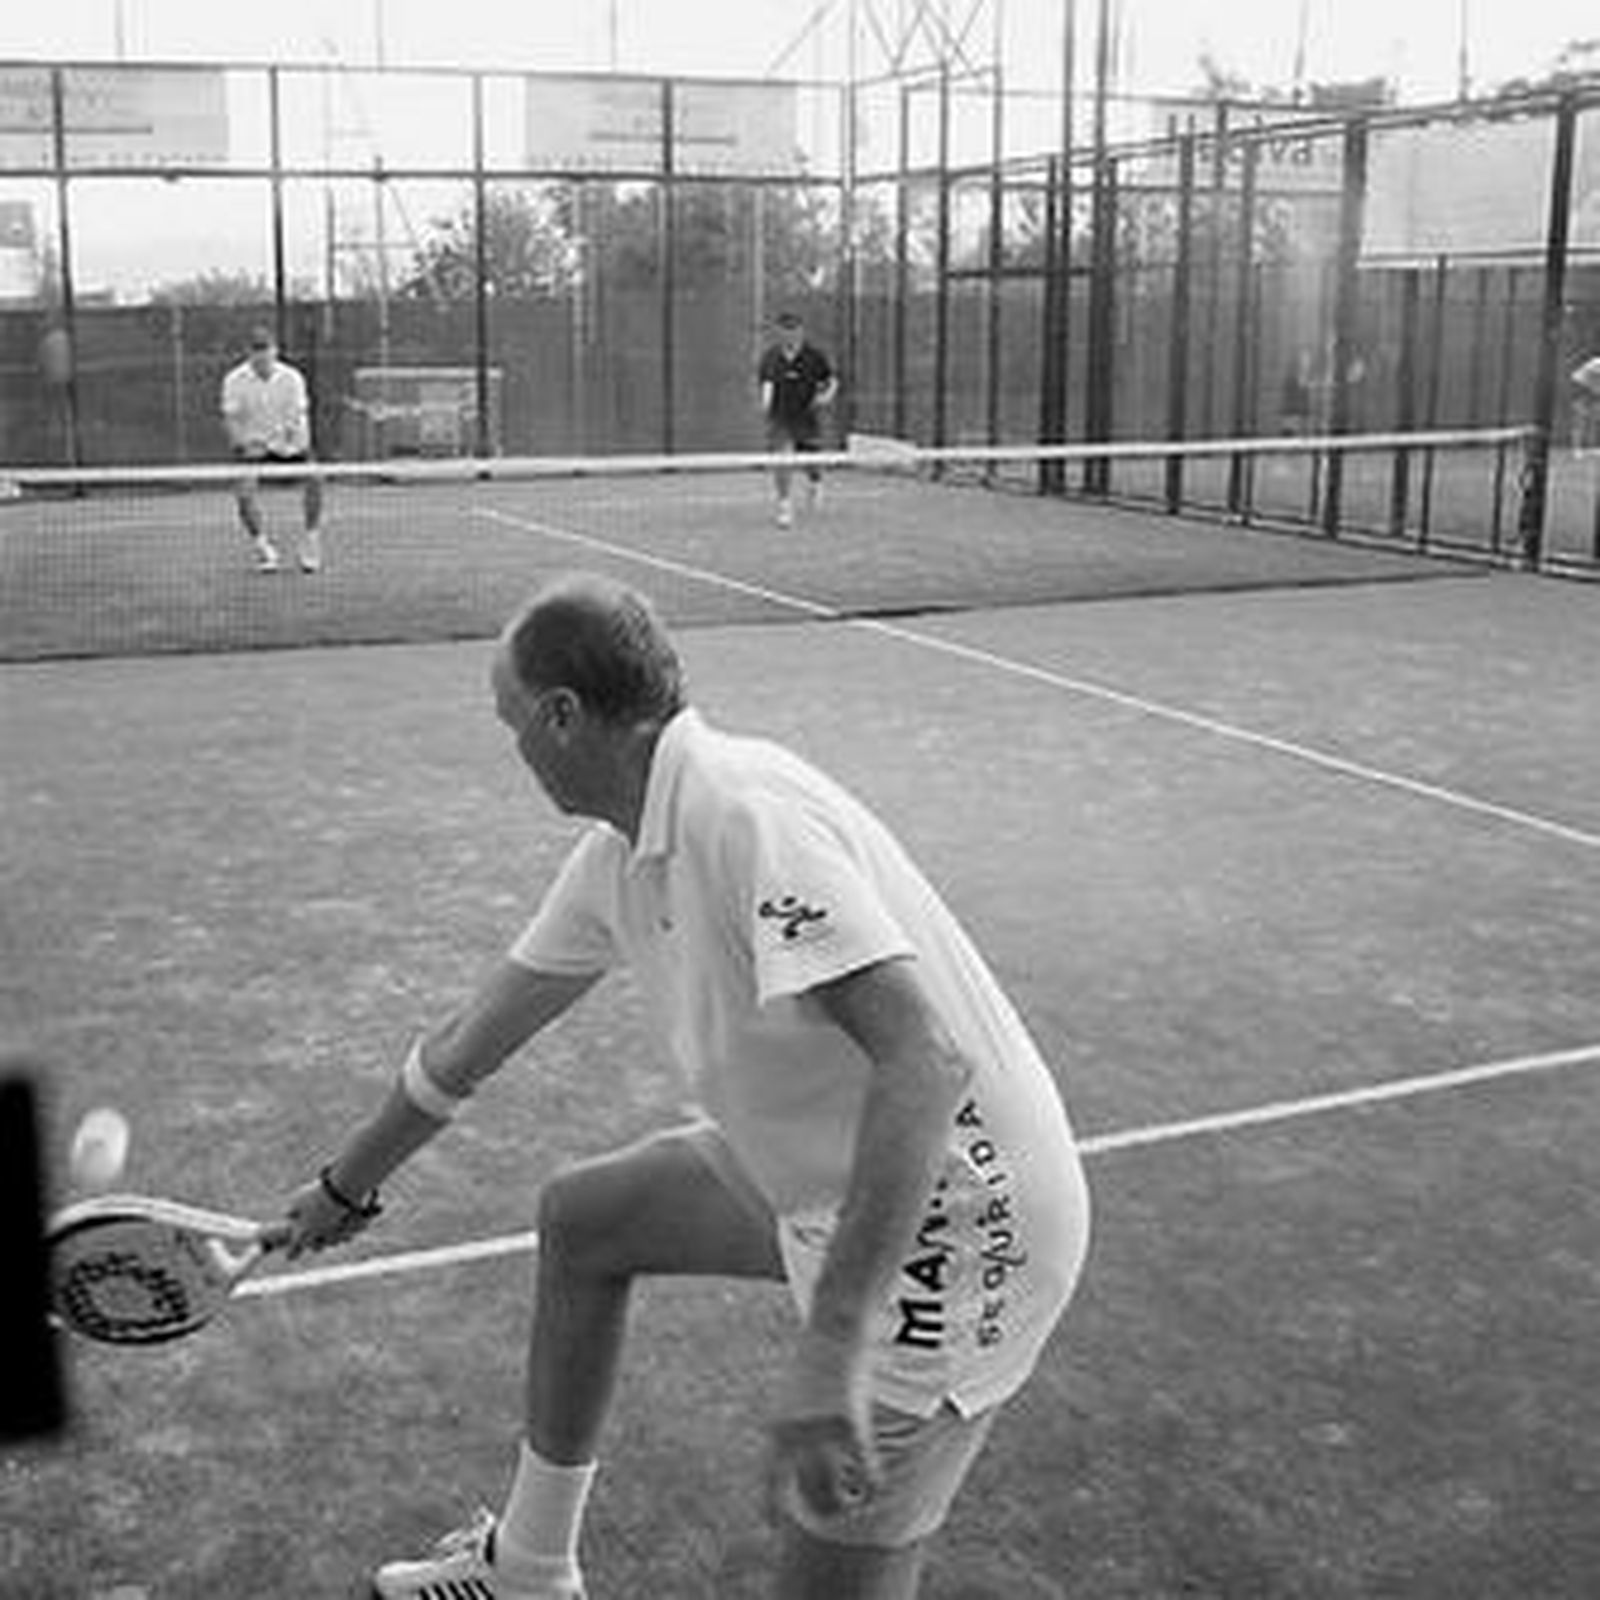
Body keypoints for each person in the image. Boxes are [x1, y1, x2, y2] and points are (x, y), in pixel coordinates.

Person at [281, 573, 1091, 1600]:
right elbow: (464, 1045)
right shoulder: (619, 857)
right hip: (826, 1172)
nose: (512, 745)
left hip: (956, 1225)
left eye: (510, 720)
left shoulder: (741, 813)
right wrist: (342, 1188)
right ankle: (529, 1567)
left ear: (562, 715)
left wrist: (833, 1340)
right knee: (588, 1219)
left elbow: (924, 1064)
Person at [220, 325, 324, 573]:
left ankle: (311, 542)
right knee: (243, 494)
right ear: (248, 353)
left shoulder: (292, 378)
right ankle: (263, 548)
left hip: (290, 446)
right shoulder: (234, 380)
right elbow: (231, 420)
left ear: (275, 351)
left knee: (316, 479)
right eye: (256, 350)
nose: (262, 356)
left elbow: (297, 419)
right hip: (253, 449)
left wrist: (290, 441)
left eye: (265, 349)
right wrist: (243, 445)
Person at [757, 311, 837, 528]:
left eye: (793, 330)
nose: (789, 335)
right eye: (785, 331)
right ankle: (784, 506)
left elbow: (831, 381)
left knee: (811, 461)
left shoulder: (815, 356)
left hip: (807, 416)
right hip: (780, 417)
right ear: (778, 333)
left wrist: (826, 397)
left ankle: (815, 482)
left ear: (801, 332)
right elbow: (766, 383)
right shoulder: (770, 357)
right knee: (782, 459)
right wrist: (765, 404)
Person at [1571, 352, 1600, 458]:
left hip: (1589, 391)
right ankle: (1577, 449)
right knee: (1581, 420)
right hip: (1581, 390)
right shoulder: (1597, 363)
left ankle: (1593, 447)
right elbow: (1590, 383)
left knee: (1595, 419)